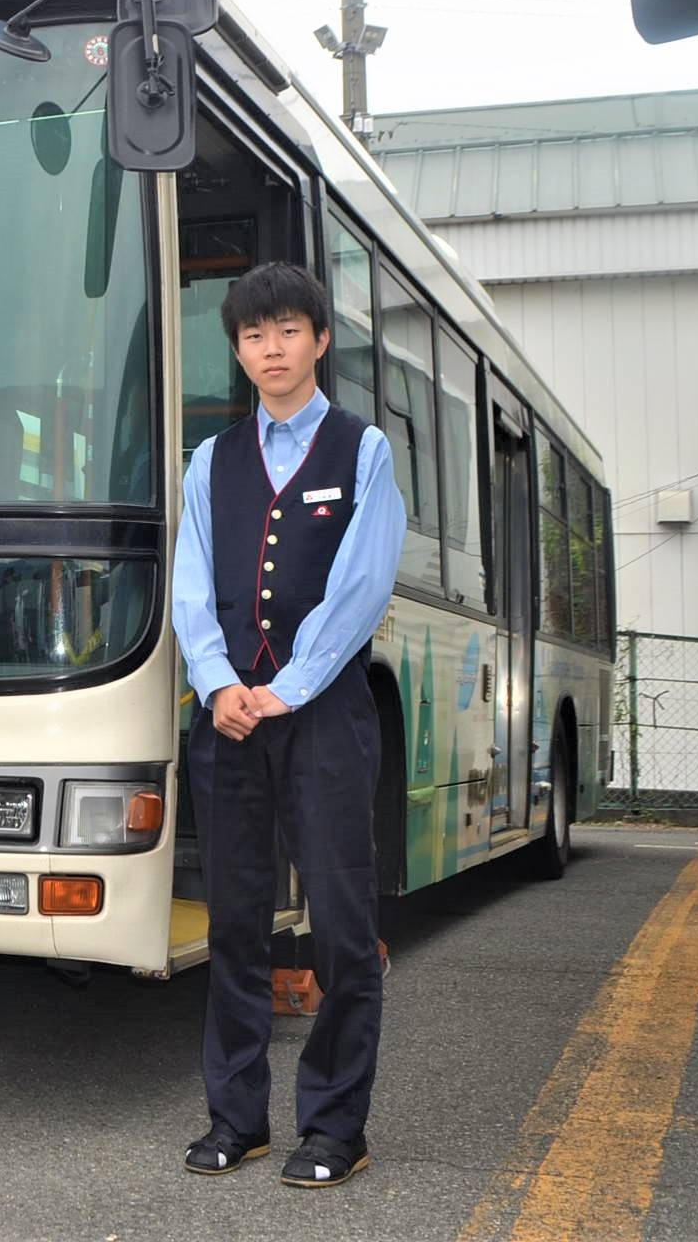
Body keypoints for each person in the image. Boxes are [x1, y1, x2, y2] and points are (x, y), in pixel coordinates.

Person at [173, 261, 403, 1189]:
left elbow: (363, 581)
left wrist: (291, 686)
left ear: (318, 340)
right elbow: (192, 583)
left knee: (344, 928)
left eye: (287, 331)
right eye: (253, 335)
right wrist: (217, 682)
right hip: (227, 719)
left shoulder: (363, 450)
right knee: (234, 926)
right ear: (237, 350)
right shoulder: (210, 460)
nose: (271, 348)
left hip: (325, 716)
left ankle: (335, 1127)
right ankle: (238, 1120)